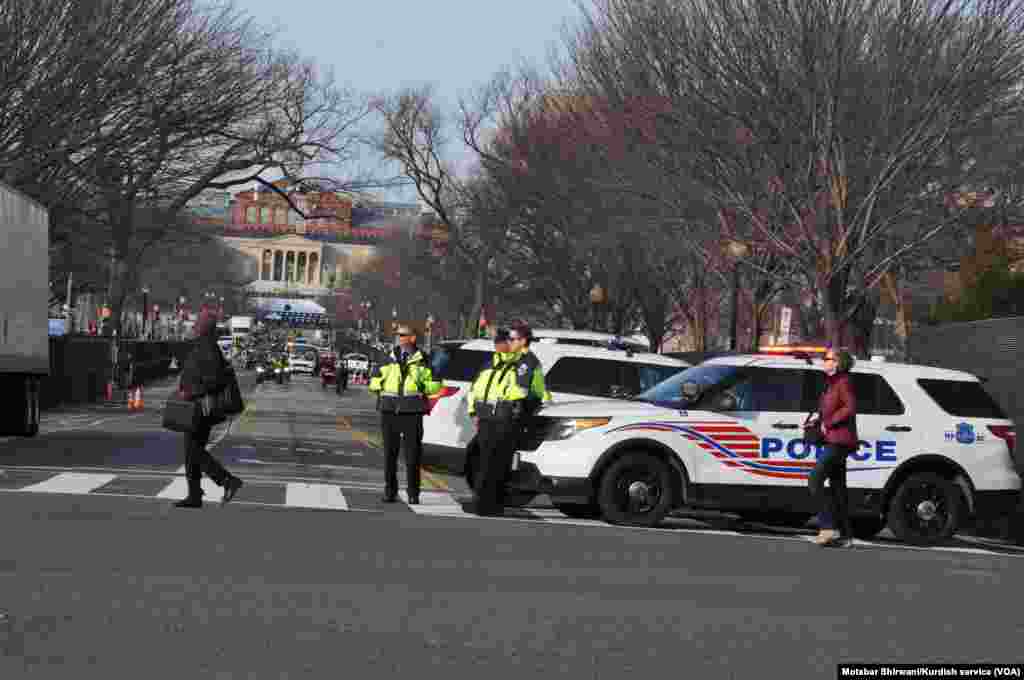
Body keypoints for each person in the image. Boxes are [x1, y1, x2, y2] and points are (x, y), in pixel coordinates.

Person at [466, 322, 551, 516]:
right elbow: (480, 388)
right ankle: (482, 503)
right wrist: (476, 412)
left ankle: (490, 505)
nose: (508, 342)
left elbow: (524, 392)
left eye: (512, 339)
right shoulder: (506, 360)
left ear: (522, 341)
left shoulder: (526, 362)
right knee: (486, 462)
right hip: (489, 417)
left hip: (506, 418)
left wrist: (513, 407)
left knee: (497, 464)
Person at [174, 307, 243, 508]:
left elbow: (215, 380)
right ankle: (194, 495)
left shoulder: (208, 348)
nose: (195, 328)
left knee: (194, 451)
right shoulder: (203, 345)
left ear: (204, 328)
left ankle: (227, 481)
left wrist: (191, 391)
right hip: (196, 405)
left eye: (198, 325)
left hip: (201, 407)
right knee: (191, 451)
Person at [368, 325, 442, 505]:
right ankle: (390, 491)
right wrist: (380, 385)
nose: (399, 338)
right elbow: (374, 381)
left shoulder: (424, 359)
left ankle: (413, 493)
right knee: (389, 455)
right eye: (398, 335)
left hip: (413, 411)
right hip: (389, 410)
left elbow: (435, 385)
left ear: (413, 338)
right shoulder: (387, 357)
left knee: (413, 455)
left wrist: (422, 386)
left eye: (403, 335)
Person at [807, 347, 858, 546]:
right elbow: (830, 409)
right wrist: (818, 422)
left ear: (837, 363)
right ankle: (846, 535)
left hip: (840, 441)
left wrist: (828, 423)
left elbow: (850, 407)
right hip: (834, 439)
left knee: (814, 480)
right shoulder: (832, 383)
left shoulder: (843, 382)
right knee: (838, 488)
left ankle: (827, 527)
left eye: (827, 358)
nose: (824, 361)